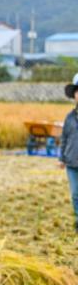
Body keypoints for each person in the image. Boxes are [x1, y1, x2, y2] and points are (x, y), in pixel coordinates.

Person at [59, 73, 78, 234]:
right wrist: (61, 158)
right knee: (75, 194)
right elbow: (64, 138)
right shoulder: (69, 117)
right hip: (72, 163)